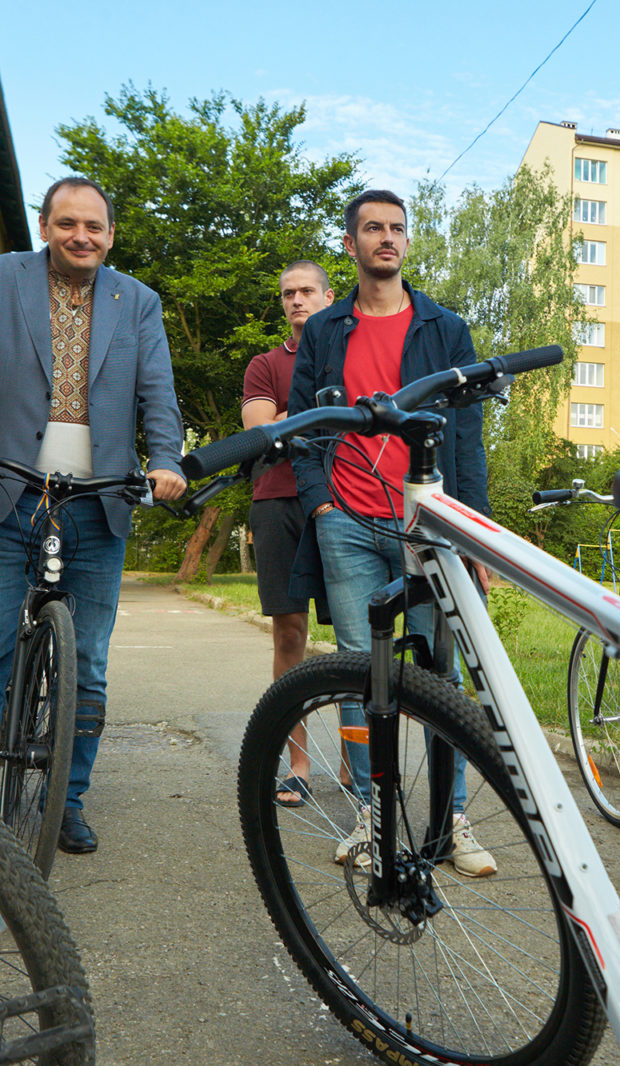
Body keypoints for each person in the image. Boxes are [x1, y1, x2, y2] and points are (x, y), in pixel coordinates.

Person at [0, 176, 186, 854]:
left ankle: (64, 799)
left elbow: (157, 390)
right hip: (10, 490)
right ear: (46, 227)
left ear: (110, 234)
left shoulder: (139, 303)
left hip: (100, 502)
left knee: (87, 663)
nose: (82, 236)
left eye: (94, 226)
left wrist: (170, 460)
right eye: (68, 223)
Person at [288, 189, 496, 876]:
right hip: (345, 521)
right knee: (359, 675)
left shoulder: (445, 328)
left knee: (443, 671)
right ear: (351, 245)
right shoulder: (324, 330)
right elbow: (304, 425)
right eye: (373, 228)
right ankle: (374, 820)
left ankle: (450, 819)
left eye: (397, 228)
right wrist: (319, 503)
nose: (387, 238)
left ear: (407, 242)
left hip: (426, 522)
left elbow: (467, 438)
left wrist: (471, 532)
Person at [243, 261, 335, 808]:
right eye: (288, 293)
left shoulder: (345, 353)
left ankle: (357, 764)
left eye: (307, 291)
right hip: (277, 501)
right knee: (289, 636)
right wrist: (310, 412)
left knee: (356, 636)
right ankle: (297, 764)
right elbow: (261, 433)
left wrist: (289, 417)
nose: (297, 300)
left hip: (340, 500)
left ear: (327, 297)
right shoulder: (265, 363)